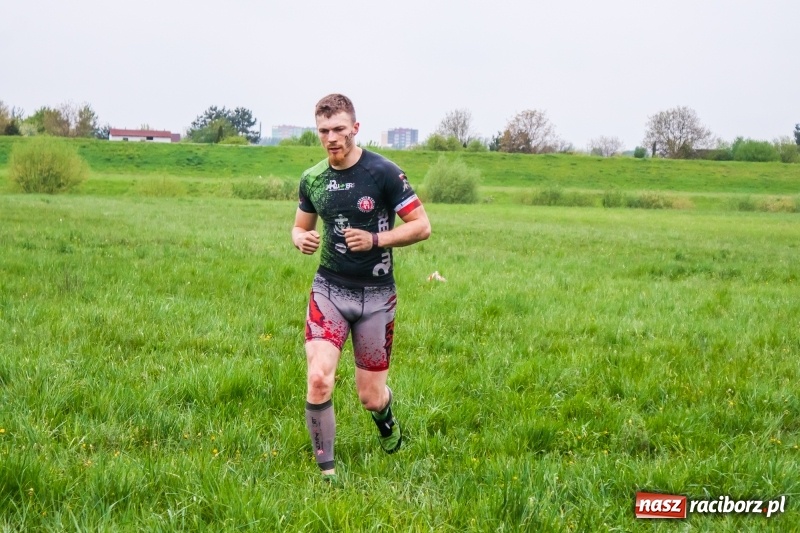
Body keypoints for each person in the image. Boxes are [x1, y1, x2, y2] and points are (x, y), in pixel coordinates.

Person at [292, 94, 431, 481]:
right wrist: (298, 238)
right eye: (324, 131)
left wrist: (375, 240)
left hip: (375, 297)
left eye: (339, 129)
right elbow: (301, 226)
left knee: (370, 397)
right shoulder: (313, 178)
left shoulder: (383, 173)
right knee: (319, 378)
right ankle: (327, 475)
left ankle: (386, 420)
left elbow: (422, 226)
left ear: (355, 128)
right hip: (330, 290)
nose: (332, 137)